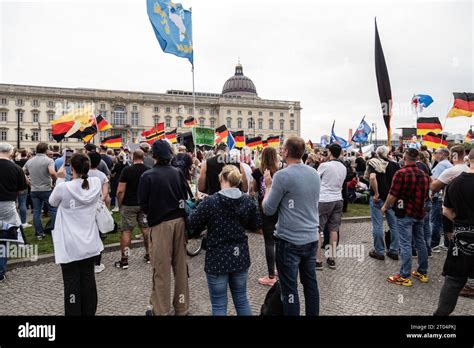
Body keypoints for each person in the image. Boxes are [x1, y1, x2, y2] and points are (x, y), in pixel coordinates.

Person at [188, 165, 261, 315]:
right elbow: (255, 225)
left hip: (217, 257)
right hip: (240, 256)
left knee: (219, 304)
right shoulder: (248, 201)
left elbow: (192, 224)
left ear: (222, 178)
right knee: (242, 300)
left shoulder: (210, 202)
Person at [262, 136, 321, 316]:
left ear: (286, 152)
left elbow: (268, 209)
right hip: (311, 237)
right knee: (310, 283)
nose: (280, 151)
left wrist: (269, 186)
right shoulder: (314, 173)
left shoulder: (282, 176)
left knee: (289, 289)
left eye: (282, 149)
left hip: (289, 241)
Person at [138, 140, 190, 316]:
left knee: (161, 268)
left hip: (160, 225)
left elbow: (143, 204)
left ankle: (161, 310)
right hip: (180, 222)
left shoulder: (148, 176)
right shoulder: (178, 173)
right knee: (180, 266)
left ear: (154, 156)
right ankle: (182, 307)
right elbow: (185, 197)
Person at [49, 153, 103, 315]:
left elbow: (52, 202)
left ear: (71, 168)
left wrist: (59, 178)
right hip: (90, 240)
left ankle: (74, 312)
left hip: (70, 243)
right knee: (88, 279)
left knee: (72, 281)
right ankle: (89, 312)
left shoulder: (63, 187)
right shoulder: (95, 183)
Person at [433, 149, 474, 314]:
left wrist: (460, 222)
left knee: (454, 280)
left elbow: (446, 211)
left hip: (461, 238)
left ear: (469, 160)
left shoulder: (455, 183)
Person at [382, 148, 430, 287]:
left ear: (405, 157)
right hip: (419, 213)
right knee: (420, 242)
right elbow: (427, 195)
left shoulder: (401, 173)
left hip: (405, 214)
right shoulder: (423, 174)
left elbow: (393, 194)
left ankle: (404, 275)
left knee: (405, 244)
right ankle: (422, 272)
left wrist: (385, 207)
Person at [115, 149, 151, 269]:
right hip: (144, 204)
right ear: (143, 157)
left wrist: (120, 204)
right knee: (146, 229)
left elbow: (120, 190)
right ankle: (149, 255)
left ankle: (125, 260)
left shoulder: (127, 170)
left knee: (126, 231)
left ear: (132, 156)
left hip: (129, 204)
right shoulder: (148, 170)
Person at [315, 144, 347, 269]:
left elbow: (315, 179)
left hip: (325, 198)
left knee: (318, 229)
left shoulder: (325, 165)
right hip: (338, 198)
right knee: (334, 229)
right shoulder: (343, 167)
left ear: (329, 152)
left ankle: (318, 260)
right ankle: (331, 258)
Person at [0, 143, 28, 282]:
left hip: (7, 203)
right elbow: (21, 189)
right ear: (11, 152)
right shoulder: (16, 168)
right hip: (7, 204)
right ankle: (0, 271)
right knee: (4, 237)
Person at [252, 147, 279, 286]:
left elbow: (255, 189)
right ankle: (279, 270)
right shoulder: (280, 172)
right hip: (280, 208)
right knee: (280, 239)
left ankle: (270, 275)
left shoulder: (257, 172)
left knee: (269, 241)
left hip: (265, 208)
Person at [23, 143, 57, 240]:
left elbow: (22, 171)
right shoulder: (49, 160)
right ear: (46, 150)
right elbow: (52, 172)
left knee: (37, 212)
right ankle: (54, 230)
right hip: (46, 189)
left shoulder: (30, 161)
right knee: (53, 210)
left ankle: (39, 234)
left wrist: (29, 182)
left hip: (34, 190)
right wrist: (55, 180)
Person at [87, 152, 110, 274]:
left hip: (85, 207)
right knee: (98, 233)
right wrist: (100, 201)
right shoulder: (102, 175)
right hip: (97, 206)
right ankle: (97, 263)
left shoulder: (83, 174)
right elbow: (105, 193)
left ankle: (87, 260)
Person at [430, 147, 452, 252]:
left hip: (438, 197)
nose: (434, 154)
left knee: (435, 221)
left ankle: (434, 243)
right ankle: (447, 243)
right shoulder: (449, 165)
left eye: (436, 153)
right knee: (444, 221)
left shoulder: (441, 165)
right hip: (447, 197)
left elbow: (435, 181)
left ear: (442, 154)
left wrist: (432, 193)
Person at [14, 149, 31, 228]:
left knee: (13, 204)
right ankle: (23, 222)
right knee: (22, 203)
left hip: (13, 183)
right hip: (23, 182)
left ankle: (14, 221)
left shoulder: (14, 161)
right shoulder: (27, 161)